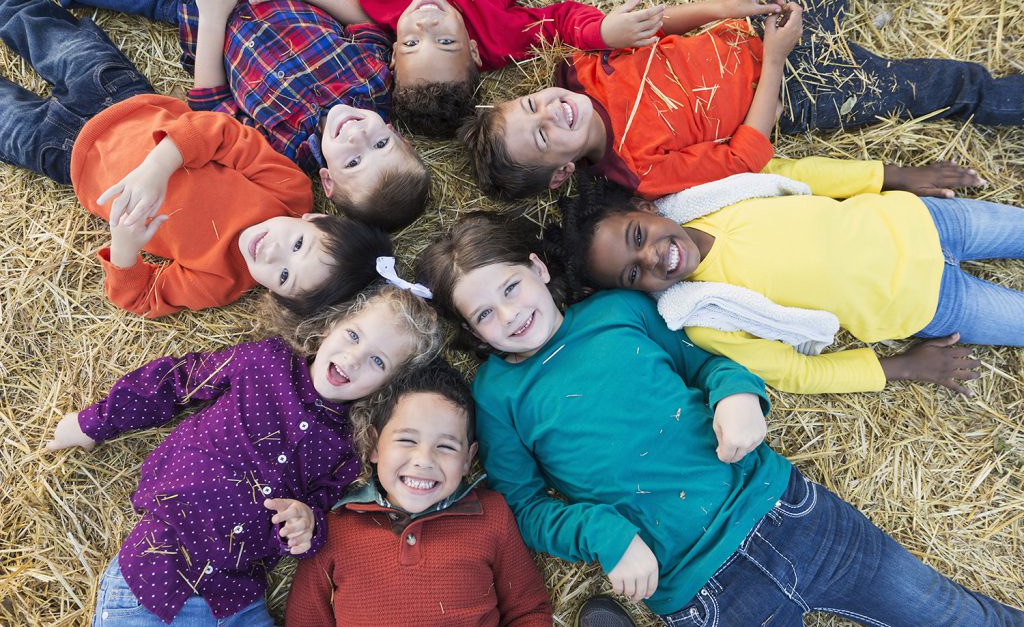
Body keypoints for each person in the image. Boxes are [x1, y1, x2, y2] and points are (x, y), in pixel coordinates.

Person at [413, 211, 1024, 626]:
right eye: (486, 315)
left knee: (944, 611)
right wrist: (605, 535)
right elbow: (526, 507)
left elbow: (706, 361)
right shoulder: (497, 395)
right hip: (699, 585)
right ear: (473, 332)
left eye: (512, 288)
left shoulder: (620, 310)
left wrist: (739, 395)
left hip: (785, 512)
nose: (510, 315)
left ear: (538, 268)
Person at [461, 0, 1024, 200]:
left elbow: (659, 27)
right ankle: (1003, 99)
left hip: (760, 23)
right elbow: (744, 157)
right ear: (560, 173)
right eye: (542, 135)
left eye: (532, 103)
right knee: (942, 89)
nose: (550, 111)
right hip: (799, 89)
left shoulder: (584, 70)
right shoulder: (637, 173)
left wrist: (728, 8)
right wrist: (777, 60)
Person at [0, 0, 391, 318]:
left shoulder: (218, 282)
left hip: (63, 155)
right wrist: (156, 167)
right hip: (119, 98)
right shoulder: (288, 191)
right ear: (315, 218)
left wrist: (124, 248)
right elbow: (217, 131)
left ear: (278, 297)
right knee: (27, 18)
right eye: (298, 245)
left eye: (285, 276)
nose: (274, 253)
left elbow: (140, 298)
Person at [47, 283, 442, 625]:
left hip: (236, 600)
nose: (354, 358)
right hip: (157, 572)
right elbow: (178, 381)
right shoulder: (264, 362)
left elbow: (317, 515)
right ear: (330, 326)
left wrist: (306, 528)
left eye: (377, 361)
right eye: (354, 336)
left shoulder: (348, 450)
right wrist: (93, 423)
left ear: (386, 387)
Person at [544, 157, 1024, 395]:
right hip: (933, 302)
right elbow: (796, 373)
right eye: (633, 274)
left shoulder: (718, 194)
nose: (651, 257)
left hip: (926, 219)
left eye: (637, 236)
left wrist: (892, 175)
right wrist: (900, 368)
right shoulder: (707, 317)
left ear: (645, 208)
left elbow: (804, 175)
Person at [33, 0, 430, 232]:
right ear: (397, 135)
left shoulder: (281, 150)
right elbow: (361, 21)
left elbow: (211, 103)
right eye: (381, 144)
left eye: (353, 162)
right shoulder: (377, 84)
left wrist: (212, 12)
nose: (359, 135)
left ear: (327, 181)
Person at [284, 359, 553, 626]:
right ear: (375, 446)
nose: (424, 460)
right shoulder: (333, 526)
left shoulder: (491, 515)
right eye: (407, 440)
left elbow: (529, 610)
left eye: (446, 447)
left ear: (467, 459)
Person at [332, 0, 667, 137]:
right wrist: (602, 32)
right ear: (474, 51)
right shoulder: (496, 40)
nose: (426, 22)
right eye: (447, 41)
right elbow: (557, 25)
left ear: (393, 53)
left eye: (411, 43)